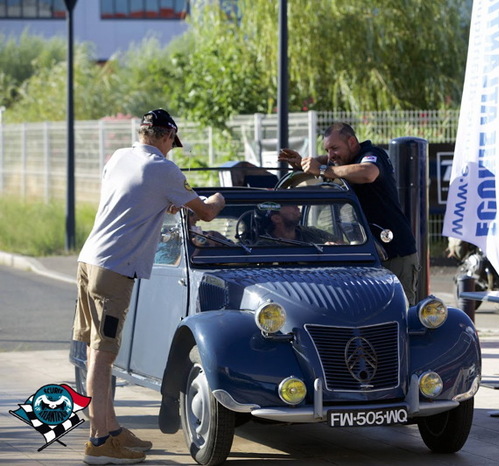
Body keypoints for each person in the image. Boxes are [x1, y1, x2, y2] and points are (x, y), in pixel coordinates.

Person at [73, 109, 225, 465]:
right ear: (167, 136)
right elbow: (205, 213)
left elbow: (133, 197)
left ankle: (111, 429)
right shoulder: (163, 169)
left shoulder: (119, 157)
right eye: (172, 142)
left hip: (89, 261)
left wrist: (163, 202)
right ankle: (98, 442)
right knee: (103, 356)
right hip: (114, 269)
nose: (171, 148)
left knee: (96, 351)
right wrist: (219, 199)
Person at [278, 123, 419, 305]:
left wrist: (322, 170)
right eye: (327, 150)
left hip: (395, 253)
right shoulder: (342, 161)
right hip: (368, 254)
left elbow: (368, 173)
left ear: (352, 142)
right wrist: (303, 163)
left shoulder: (373, 154)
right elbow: (327, 160)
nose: (331, 155)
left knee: (400, 309)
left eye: (335, 148)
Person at [261, 204, 337, 244]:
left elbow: (338, 242)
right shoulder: (264, 245)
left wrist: (331, 246)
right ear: (276, 218)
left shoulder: (310, 232)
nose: (297, 207)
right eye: (289, 204)